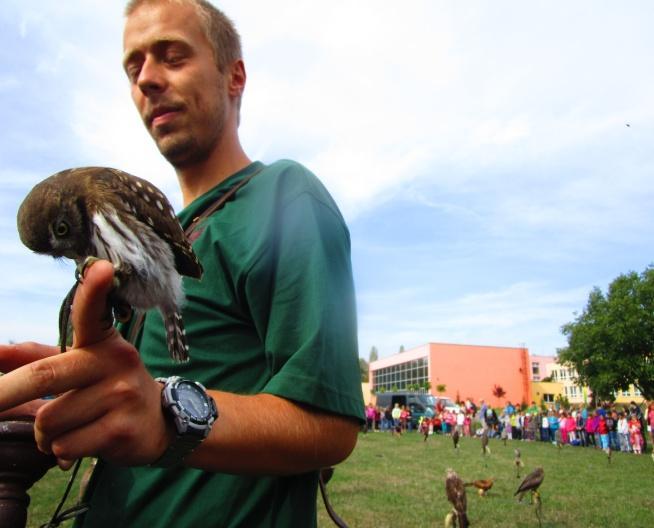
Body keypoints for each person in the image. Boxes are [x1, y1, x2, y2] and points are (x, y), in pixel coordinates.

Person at [0, 1, 364, 526]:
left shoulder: (283, 198)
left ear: (233, 75)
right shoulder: (147, 236)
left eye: (172, 56)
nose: (147, 79)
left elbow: (332, 426)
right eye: (133, 67)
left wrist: (169, 416)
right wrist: (66, 399)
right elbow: (136, 397)